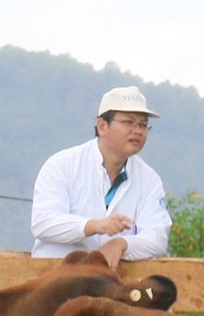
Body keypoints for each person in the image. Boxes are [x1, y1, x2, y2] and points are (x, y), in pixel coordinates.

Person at [29, 87, 173, 269]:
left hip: (111, 285)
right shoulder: (62, 165)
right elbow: (43, 223)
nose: (137, 131)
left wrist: (121, 244)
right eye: (128, 122)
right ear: (102, 126)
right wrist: (93, 226)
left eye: (143, 125)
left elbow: (157, 238)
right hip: (55, 279)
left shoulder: (149, 179)